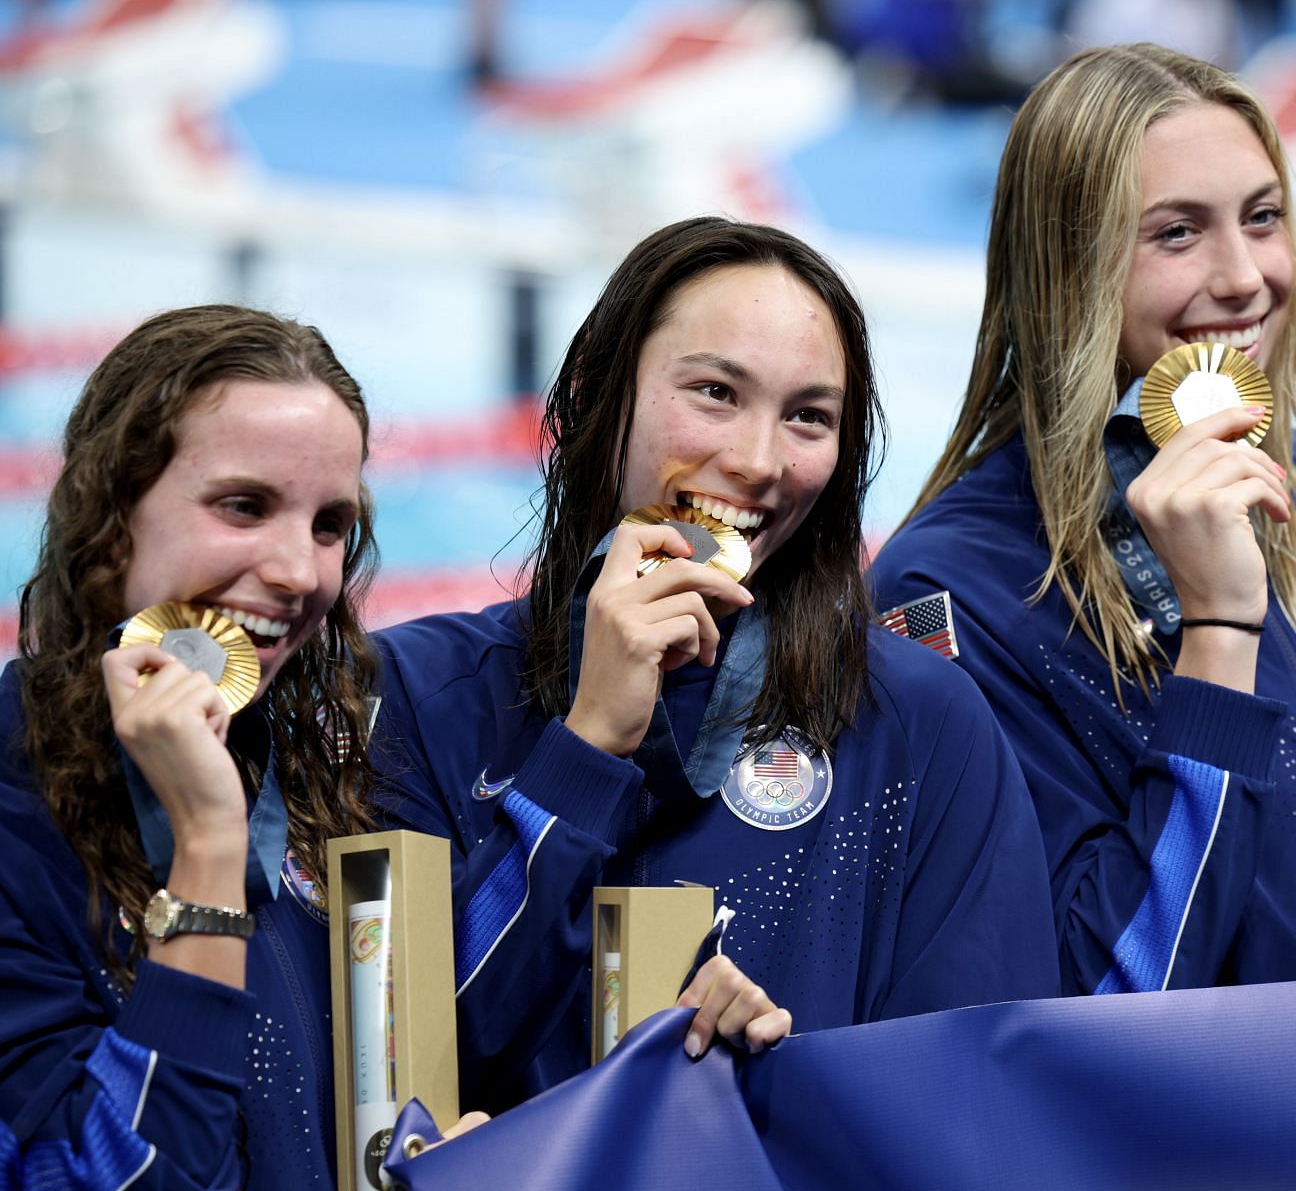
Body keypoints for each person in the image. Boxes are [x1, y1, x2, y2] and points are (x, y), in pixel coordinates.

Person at [870, 43, 1296, 995]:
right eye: (1176, 234)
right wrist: (1218, 634)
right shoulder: (955, 586)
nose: (1244, 278)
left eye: (1262, 219)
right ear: (1065, 268)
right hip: (1186, 1134)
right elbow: (1106, 990)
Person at [372, 216, 1058, 1115]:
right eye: (714, 392)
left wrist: (772, 1085)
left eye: (808, 416)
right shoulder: (423, 693)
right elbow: (394, 1087)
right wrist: (584, 753)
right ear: (594, 395)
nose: (757, 462)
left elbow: (979, 1112)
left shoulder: (921, 726)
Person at [0, 306, 381, 1191]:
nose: (300, 572)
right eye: (243, 506)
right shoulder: (12, 815)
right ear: (112, 516)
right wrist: (207, 847)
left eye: (331, 524)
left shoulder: (318, 763)